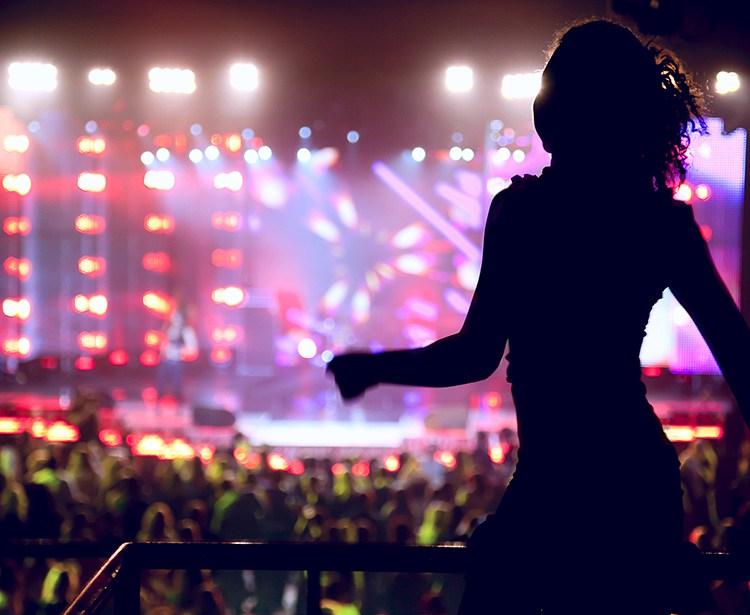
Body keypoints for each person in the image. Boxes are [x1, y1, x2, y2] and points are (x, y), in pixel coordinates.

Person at [327, 19, 750, 614]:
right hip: (635, 479)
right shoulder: (660, 222)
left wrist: (373, 368)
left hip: (552, 479)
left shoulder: (523, 214)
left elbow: (474, 354)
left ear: (558, 112)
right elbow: (737, 353)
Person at [157, 308, 198, 401]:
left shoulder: (186, 331)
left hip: (178, 361)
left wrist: (181, 351)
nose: (175, 319)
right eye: (174, 316)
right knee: (161, 383)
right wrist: (163, 352)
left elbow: (192, 347)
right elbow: (163, 343)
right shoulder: (167, 328)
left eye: (178, 317)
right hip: (166, 360)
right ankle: (160, 398)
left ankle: (178, 398)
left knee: (177, 384)